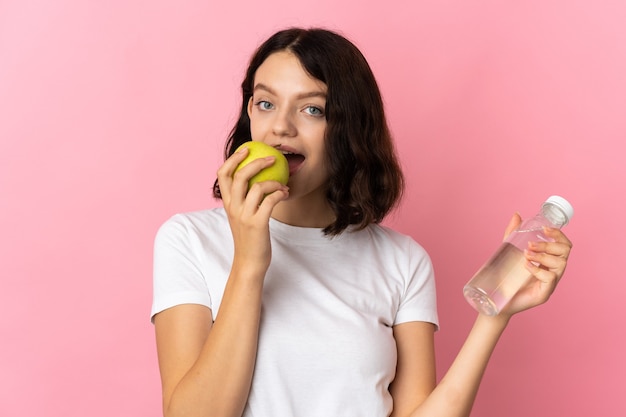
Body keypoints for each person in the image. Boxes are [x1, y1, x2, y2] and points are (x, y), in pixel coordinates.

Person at [151, 27, 572, 417]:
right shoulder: (189, 240)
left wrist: (494, 316)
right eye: (266, 103)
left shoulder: (402, 261)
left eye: (313, 109)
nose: (280, 126)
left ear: (349, 128)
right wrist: (249, 261)